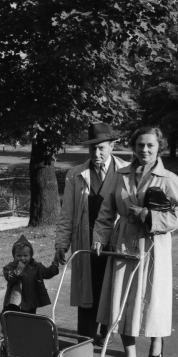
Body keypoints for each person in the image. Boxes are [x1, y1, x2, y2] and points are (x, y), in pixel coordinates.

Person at [92, 126, 178, 357]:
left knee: (153, 296)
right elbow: (106, 212)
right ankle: (129, 356)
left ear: (159, 147)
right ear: (133, 147)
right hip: (123, 240)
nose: (144, 150)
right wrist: (100, 237)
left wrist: (147, 214)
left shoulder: (169, 179)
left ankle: (156, 340)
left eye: (150, 145)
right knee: (121, 297)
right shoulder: (119, 174)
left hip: (154, 243)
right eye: (140, 145)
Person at [54, 123, 129, 345]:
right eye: (92, 149)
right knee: (87, 291)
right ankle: (84, 340)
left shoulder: (125, 171)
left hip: (115, 243)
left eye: (102, 148)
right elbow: (67, 213)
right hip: (85, 242)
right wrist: (61, 244)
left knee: (111, 289)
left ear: (112, 146)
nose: (96, 153)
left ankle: (106, 336)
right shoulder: (76, 175)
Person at [0, 234, 59, 339]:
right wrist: (17, 271)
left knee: (28, 317)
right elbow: (9, 277)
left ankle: (24, 335)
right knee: (7, 315)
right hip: (14, 299)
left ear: (31, 256)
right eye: (19, 255)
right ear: (14, 256)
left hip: (30, 298)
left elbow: (46, 273)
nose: (22, 258)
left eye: (25, 255)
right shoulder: (9, 267)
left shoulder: (36, 266)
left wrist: (54, 266)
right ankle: (0, 334)